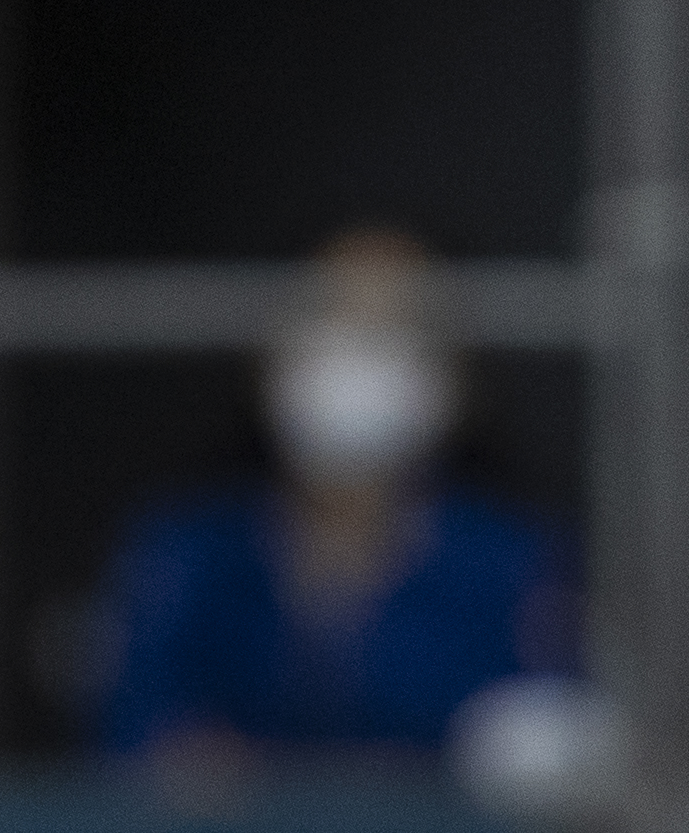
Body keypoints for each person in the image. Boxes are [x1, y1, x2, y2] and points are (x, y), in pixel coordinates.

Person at [99, 231, 579, 779]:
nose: (360, 354)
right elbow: (132, 729)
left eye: (396, 333)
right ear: (270, 358)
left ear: (455, 380)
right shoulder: (189, 554)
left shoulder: (512, 563)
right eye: (334, 324)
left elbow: (558, 732)